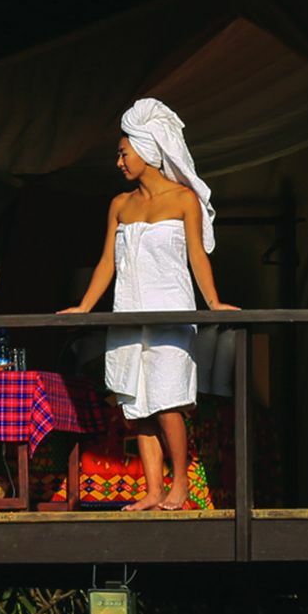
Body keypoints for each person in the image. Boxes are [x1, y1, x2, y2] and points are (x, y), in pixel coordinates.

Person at [61, 98, 235, 510]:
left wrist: (212, 303)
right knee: (136, 406)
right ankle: (153, 491)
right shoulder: (120, 205)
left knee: (168, 401)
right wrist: (84, 306)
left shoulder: (182, 200)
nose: (119, 162)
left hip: (170, 315)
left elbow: (196, 255)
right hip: (128, 315)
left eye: (124, 153)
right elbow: (107, 261)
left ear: (147, 148)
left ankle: (180, 486)